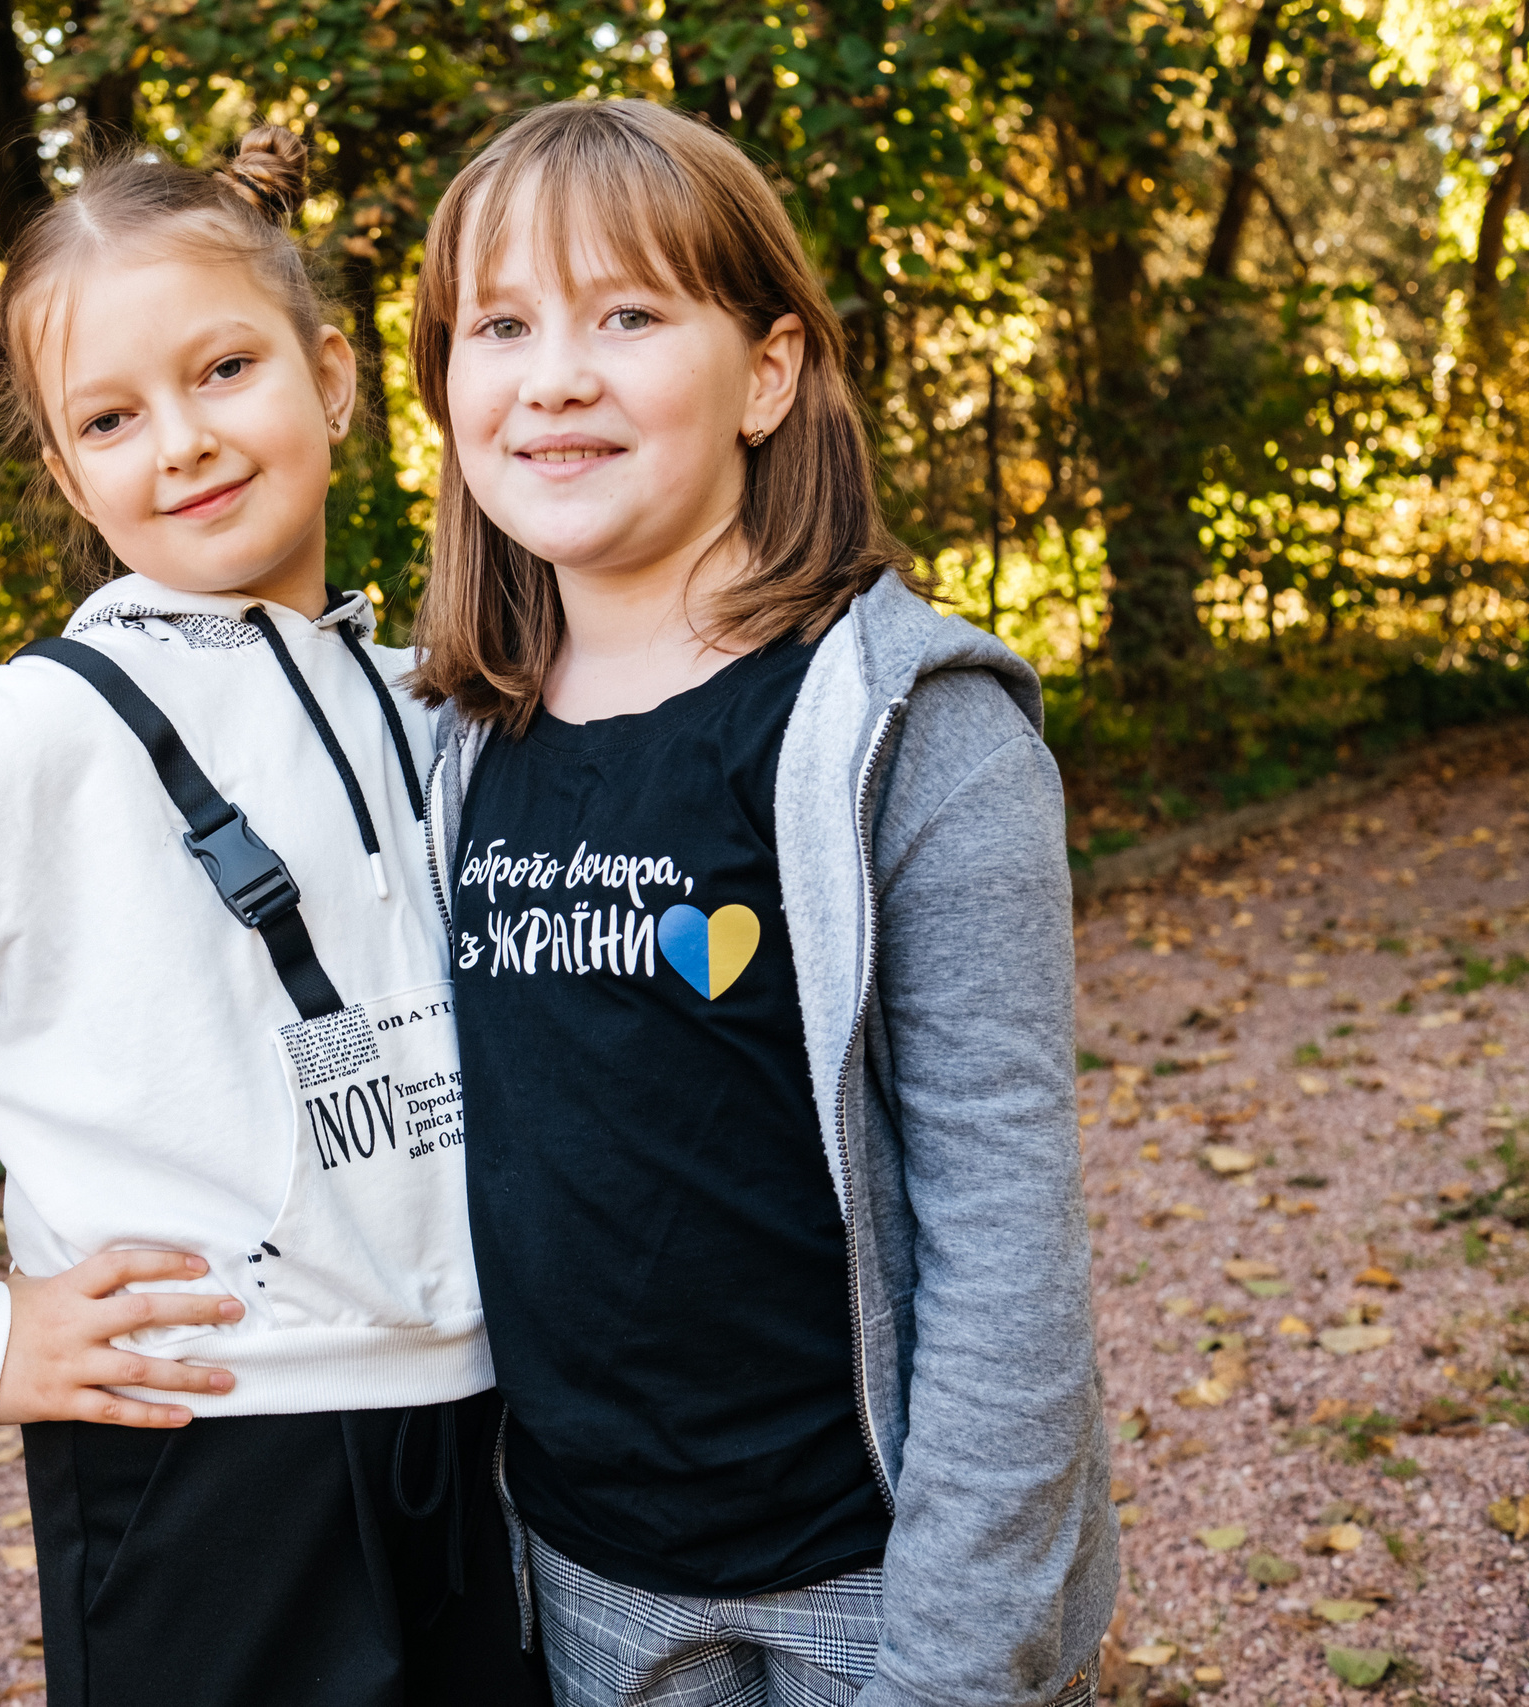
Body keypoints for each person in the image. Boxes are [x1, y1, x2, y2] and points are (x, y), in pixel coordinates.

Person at [0, 127, 547, 1707]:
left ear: (331, 378)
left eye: (224, 369)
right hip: (209, 1462)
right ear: (65, 473)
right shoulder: (26, 743)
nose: (183, 441)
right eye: (113, 418)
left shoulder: (428, 699)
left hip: (483, 1430)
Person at [403, 100, 1116, 1707]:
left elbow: (1010, 1239)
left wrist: (955, 1661)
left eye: (630, 315)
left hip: (878, 1589)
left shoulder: (908, 735)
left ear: (772, 370)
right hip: (585, 1587)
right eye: (499, 325)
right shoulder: (446, 742)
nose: (555, 374)